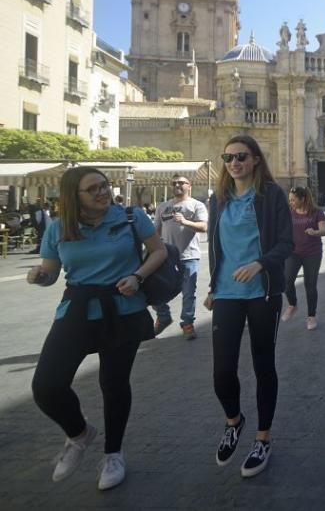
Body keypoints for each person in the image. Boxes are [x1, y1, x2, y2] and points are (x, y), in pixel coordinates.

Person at [29, 166, 167, 490]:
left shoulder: (130, 217)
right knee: (46, 386)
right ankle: (79, 434)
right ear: (73, 196)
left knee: (114, 384)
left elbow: (158, 250)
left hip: (123, 306)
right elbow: (51, 272)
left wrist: (138, 277)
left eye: (104, 185)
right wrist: (39, 276)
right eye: (93, 189)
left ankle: (114, 453)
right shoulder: (59, 227)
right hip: (77, 308)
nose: (102, 192)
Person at [205, 135, 293, 478]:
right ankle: (234, 421)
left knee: (263, 364)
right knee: (221, 371)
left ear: (256, 159)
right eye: (227, 157)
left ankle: (262, 438)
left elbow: (286, 242)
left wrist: (261, 263)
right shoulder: (219, 199)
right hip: (226, 292)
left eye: (241, 156)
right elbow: (216, 245)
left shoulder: (271, 195)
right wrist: (213, 286)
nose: (234, 162)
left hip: (262, 292)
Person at [151, 175, 208, 339]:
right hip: (167, 257)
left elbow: (204, 227)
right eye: (174, 183)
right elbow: (156, 231)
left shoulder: (197, 205)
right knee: (153, 287)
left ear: (189, 186)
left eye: (181, 183)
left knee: (189, 292)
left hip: (189, 256)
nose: (177, 185)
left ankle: (187, 323)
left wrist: (185, 222)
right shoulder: (163, 206)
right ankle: (163, 316)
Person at [282, 186, 325, 330]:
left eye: (293, 200)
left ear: (302, 199)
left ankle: (311, 316)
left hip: (312, 253)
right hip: (293, 252)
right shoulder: (290, 213)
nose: (291, 202)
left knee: (310, 285)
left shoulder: (317, 213)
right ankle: (292, 304)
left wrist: (315, 232)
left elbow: (324, 231)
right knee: (287, 281)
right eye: (290, 200)